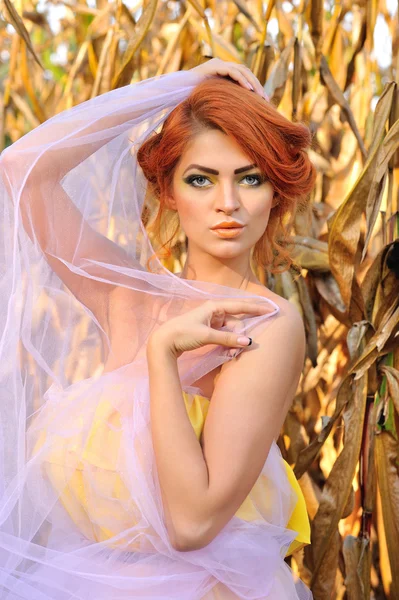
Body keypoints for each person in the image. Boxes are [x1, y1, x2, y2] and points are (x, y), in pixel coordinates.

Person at [0, 58, 316, 599]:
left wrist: (163, 356)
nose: (228, 204)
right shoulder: (124, 296)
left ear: (276, 192)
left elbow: (192, 525)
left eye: (250, 178)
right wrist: (174, 87)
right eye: (201, 179)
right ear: (168, 190)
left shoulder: (265, 324)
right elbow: (18, 169)